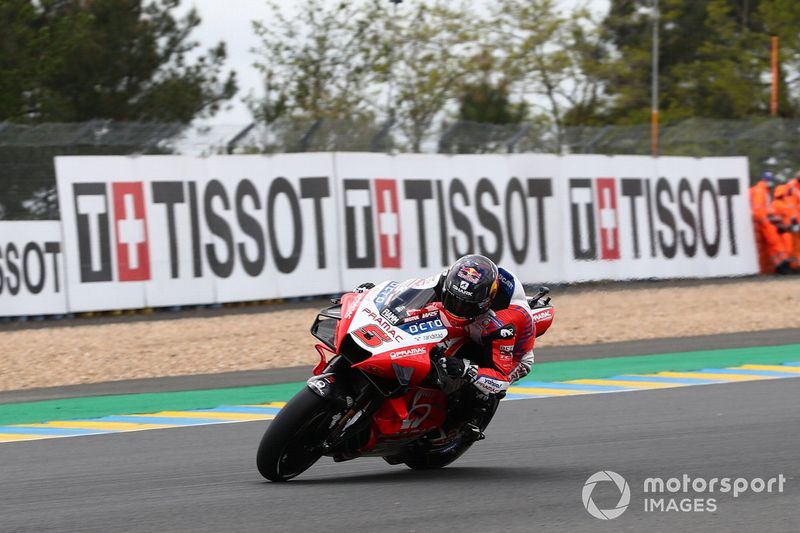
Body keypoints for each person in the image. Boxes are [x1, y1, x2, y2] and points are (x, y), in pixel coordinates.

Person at [750, 172, 791, 274]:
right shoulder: (761, 191)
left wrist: (774, 219)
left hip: (766, 222)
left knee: (773, 246)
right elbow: (759, 210)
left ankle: (779, 265)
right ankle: (781, 264)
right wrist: (767, 221)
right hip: (764, 223)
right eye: (768, 180)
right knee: (775, 244)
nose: (770, 182)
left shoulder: (765, 191)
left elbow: (767, 209)